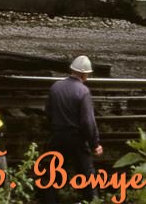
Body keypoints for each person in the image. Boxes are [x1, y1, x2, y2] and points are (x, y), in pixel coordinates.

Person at [43, 55, 103, 202]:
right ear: (84, 74)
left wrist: (54, 130)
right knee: (87, 174)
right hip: (76, 139)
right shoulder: (83, 91)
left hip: (58, 136)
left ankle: (48, 201)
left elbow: (48, 112)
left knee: (53, 174)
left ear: (72, 70)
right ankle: (92, 201)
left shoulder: (55, 87)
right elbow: (87, 122)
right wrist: (95, 144)